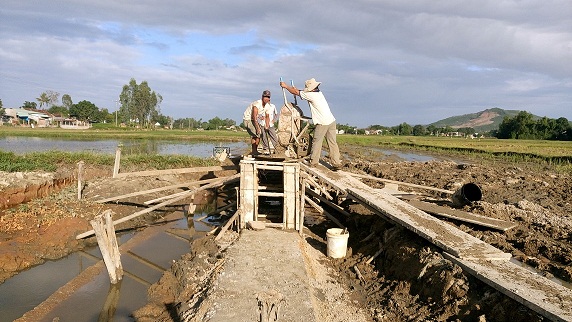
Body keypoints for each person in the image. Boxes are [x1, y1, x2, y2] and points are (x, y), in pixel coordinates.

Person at [280, 78, 342, 170]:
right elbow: (299, 92)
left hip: (322, 122)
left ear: (311, 89)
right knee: (332, 143)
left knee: (316, 142)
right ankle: (336, 164)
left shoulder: (312, 95)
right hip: (331, 121)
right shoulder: (319, 93)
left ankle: (313, 162)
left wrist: (286, 86)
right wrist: (295, 89)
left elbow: (297, 93)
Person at [242, 90, 271, 156]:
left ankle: (255, 151)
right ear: (262, 97)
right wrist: (257, 128)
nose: (266, 98)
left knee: (259, 135)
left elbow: (267, 117)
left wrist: (267, 126)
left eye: (268, 97)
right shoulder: (257, 104)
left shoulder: (267, 106)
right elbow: (253, 116)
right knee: (257, 133)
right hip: (248, 119)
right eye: (265, 97)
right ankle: (254, 151)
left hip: (254, 120)